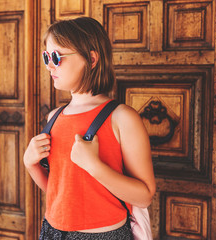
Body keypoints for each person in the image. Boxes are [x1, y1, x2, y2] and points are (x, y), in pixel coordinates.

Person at [23, 17, 156, 240]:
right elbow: (61, 192)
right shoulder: (54, 117)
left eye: (56, 57)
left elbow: (144, 197)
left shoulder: (122, 118)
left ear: (91, 58)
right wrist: (30, 164)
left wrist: (94, 166)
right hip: (52, 232)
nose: (48, 65)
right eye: (46, 56)